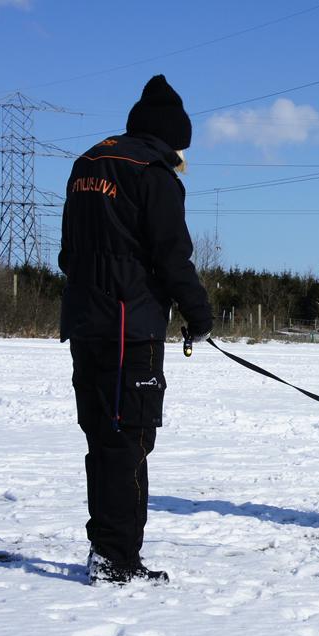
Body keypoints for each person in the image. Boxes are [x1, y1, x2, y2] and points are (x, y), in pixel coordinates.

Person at [58, 74, 213, 585]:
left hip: (85, 323)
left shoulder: (87, 164)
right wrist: (199, 313)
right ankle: (117, 557)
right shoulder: (153, 173)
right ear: (170, 137)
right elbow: (173, 257)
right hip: (132, 328)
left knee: (103, 438)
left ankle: (108, 548)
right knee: (129, 441)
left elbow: (67, 253)